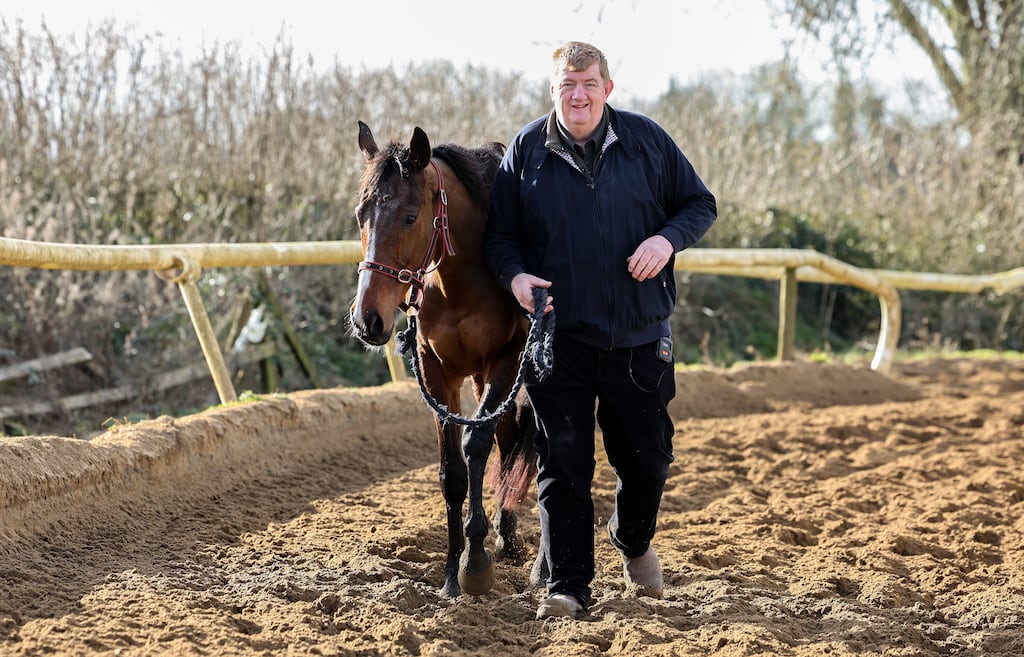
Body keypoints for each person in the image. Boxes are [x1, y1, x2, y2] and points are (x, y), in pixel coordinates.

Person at [482, 40, 718, 620]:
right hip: (559, 336)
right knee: (563, 465)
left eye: (589, 84)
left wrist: (666, 241)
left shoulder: (647, 142)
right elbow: (500, 238)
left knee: (647, 461)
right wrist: (513, 278)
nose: (579, 95)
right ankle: (568, 586)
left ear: (607, 89)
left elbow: (699, 204)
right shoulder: (525, 151)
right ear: (553, 91)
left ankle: (633, 538)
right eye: (568, 85)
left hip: (641, 335)